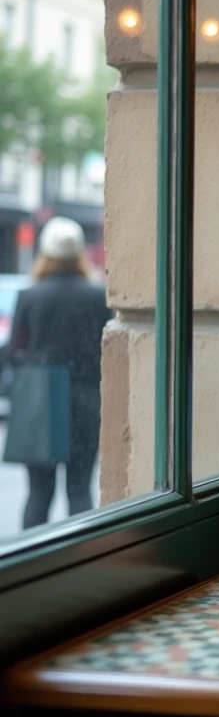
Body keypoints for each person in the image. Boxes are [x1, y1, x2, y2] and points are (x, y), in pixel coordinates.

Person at [3, 216, 111, 528]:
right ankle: (83, 552)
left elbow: (16, 351)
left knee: (39, 494)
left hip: (41, 404)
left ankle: (32, 554)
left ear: (44, 252)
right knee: (79, 490)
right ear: (79, 253)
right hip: (85, 401)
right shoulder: (97, 295)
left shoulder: (31, 295)